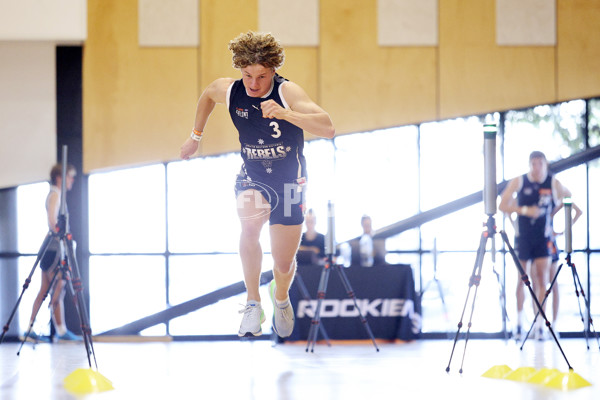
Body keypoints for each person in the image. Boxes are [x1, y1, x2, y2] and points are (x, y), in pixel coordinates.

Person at [180, 31, 335, 338]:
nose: (253, 84)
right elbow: (207, 96)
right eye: (247, 75)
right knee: (249, 228)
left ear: (273, 70)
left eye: (261, 76)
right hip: (252, 177)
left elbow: (328, 127)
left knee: (283, 260)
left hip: (290, 183)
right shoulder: (229, 90)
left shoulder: (287, 92)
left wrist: (286, 113)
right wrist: (195, 137)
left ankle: (280, 298)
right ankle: (253, 302)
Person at [499, 151, 577, 340]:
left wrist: (556, 223)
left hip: (543, 239)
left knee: (543, 281)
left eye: (540, 163)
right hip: (523, 237)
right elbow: (503, 205)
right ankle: (518, 325)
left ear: (545, 164)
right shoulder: (519, 181)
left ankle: (541, 325)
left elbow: (570, 200)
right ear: (529, 165)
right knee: (521, 280)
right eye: (533, 164)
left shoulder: (552, 182)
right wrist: (525, 210)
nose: (536, 167)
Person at [25, 163, 81, 342]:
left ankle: (42, 328)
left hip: (53, 248)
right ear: (60, 177)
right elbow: (52, 220)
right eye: (69, 176)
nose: (71, 180)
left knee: (46, 290)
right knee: (59, 286)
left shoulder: (55, 194)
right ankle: (57, 329)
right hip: (55, 249)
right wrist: (63, 236)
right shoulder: (55, 194)